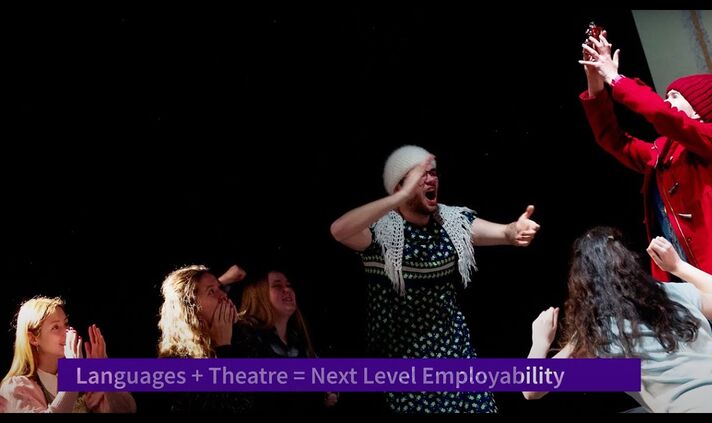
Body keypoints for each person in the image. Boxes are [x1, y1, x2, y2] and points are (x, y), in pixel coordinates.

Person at [579, 32, 712, 384]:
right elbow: (614, 141)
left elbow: (662, 115)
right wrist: (597, 86)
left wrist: (617, 79)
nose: (666, 100)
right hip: (687, 280)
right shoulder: (663, 151)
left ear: (698, 110)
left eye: (675, 96)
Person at [330, 145, 541, 413]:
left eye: (433, 173)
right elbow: (339, 230)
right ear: (399, 186)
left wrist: (515, 230)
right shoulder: (380, 232)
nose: (431, 179)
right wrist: (400, 197)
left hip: (455, 354)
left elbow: (504, 233)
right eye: (421, 175)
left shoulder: (451, 221)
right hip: (402, 365)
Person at [523, 227, 712, 412]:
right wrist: (678, 266)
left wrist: (540, 342)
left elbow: (532, 389)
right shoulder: (674, 295)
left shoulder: (597, 331)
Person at [0, 297, 137, 413]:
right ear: (33, 338)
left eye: (66, 324)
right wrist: (73, 373)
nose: (68, 331)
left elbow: (128, 409)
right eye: (55, 327)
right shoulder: (16, 387)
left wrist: (104, 368)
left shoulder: (83, 376)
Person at [234, 269, 338, 413]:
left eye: (289, 285)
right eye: (277, 286)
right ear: (258, 294)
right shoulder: (245, 337)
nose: (287, 290)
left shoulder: (300, 340)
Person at [157, 264, 253, 413]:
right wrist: (223, 349)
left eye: (220, 288)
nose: (224, 295)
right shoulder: (173, 365)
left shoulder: (246, 339)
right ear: (190, 309)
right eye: (211, 291)